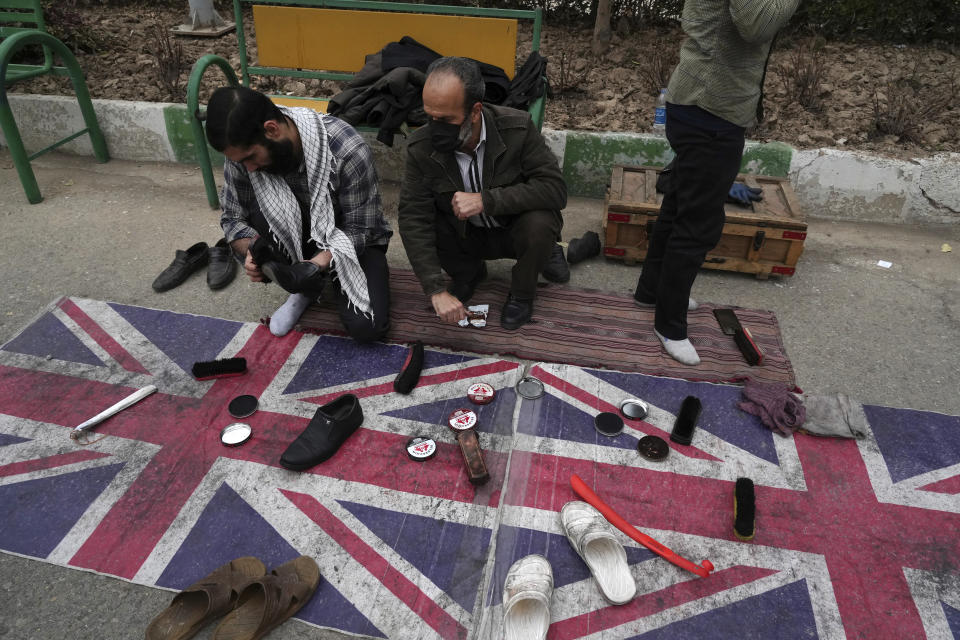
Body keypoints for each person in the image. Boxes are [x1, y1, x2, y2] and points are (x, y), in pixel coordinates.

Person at [633, 0, 799, 365]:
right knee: (697, 226)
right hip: (709, 113)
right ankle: (670, 325)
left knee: (678, 207)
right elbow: (756, 24)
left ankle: (652, 291)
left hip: (702, 107)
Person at [205, 86, 393, 342]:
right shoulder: (241, 155)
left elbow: (362, 229)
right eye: (241, 162)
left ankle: (308, 280)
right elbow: (233, 219)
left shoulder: (345, 147)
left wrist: (316, 265)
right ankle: (301, 289)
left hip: (350, 238)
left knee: (368, 328)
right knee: (258, 227)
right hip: (296, 237)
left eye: (251, 157)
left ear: (272, 130)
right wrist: (251, 252)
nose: (248, 168)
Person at [398, 57, 568, 331]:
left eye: (446, 120)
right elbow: (412, 217)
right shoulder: (421, 147)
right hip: (465, 236)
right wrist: (435, 289)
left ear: (475, 111)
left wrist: (486, 200)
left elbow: (555, 189)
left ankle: (522, 293)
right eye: (430, 117)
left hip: (512, 230)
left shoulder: (518, 128)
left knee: (541, 223)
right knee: (425, 221)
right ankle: (469, 273)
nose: (435, 128)